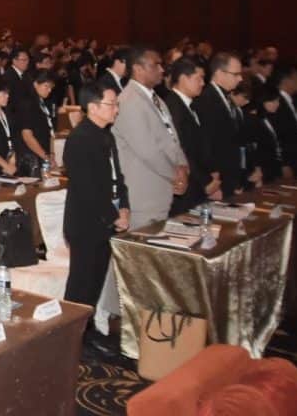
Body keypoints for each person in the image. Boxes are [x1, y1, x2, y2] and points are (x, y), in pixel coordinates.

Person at [63, 82, 130, 352]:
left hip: (107, 220)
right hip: (86, 223)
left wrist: (124, 207)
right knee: (81, 285)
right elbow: (87, 188)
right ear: (93, 107)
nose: (116, 110)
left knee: (95, 283)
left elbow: (117, 176)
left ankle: (87, 332)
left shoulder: (106, 135)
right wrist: (113, 215)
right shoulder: (79, 139)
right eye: (111, 104)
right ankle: (69, 338)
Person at [111, 47, 189, 229]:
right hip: (143, 196)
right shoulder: (129, 101)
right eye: (156, 65)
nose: (162, 69)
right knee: (144, 245)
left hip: (161, 190)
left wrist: (183, 166)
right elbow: (147, 151)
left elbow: (172, 137)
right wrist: (176, 176)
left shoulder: (156, 99)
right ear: (138, 69)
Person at [166, 58, 221, 214]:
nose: (203, 83)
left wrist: (213, 172)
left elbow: (202, 144)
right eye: (199, 78)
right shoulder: (172, 106)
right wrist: (205, 181)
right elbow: (181, 150)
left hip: (198, 184)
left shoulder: (193, 104)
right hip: (187, 186)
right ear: (184, 78)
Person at [194, 52, 248, 196]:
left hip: (230, 175)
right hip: (217, 178)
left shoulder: (226, 97)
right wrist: (212, 181)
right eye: (236, 74)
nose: (240, 79)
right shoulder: (206, 99)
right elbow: (207, 143)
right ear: (219, 73)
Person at [12, 70, 55, 178]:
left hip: (42, 153)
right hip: (31, 157)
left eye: (51, 87)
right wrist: (46, 157)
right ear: (35, 84)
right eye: (46, 86)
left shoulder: (41, 102)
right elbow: (27, 136)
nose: (49, 90)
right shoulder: (27, 104)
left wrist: (50, 154)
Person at [273, 65, 297, 173]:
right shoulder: (276, 102)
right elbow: (276, 134)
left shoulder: (294, 100)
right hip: (288, 161)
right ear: (286, 80)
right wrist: (284, 163)